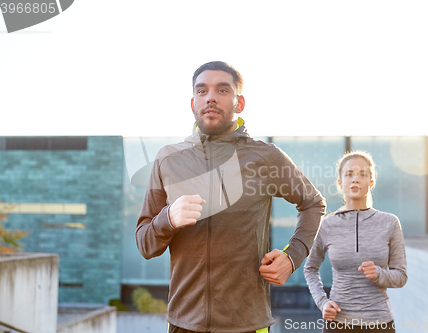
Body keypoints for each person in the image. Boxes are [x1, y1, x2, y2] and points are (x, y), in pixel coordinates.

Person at [136, 61, 326, 333]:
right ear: (193, 103)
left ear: (240, 103)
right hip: (182, 323)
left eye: (222, 90)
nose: (210, 97)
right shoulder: (167, 159)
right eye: (202, 91)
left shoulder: (266, 157)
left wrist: (293, 256)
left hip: (248, 324)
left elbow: (313, 203)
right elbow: (145, 244)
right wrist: (168, 218)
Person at [304, 151, 407, 332]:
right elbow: (310, 268)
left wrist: (379, 273)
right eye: (349, 174)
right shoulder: (327, 225)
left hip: (380, 324)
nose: (355, 179)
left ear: (371, 182)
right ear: (340, 183)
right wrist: (323, 302)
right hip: (338, 324)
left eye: (362, 174)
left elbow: (401, 276)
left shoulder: (390, 222)